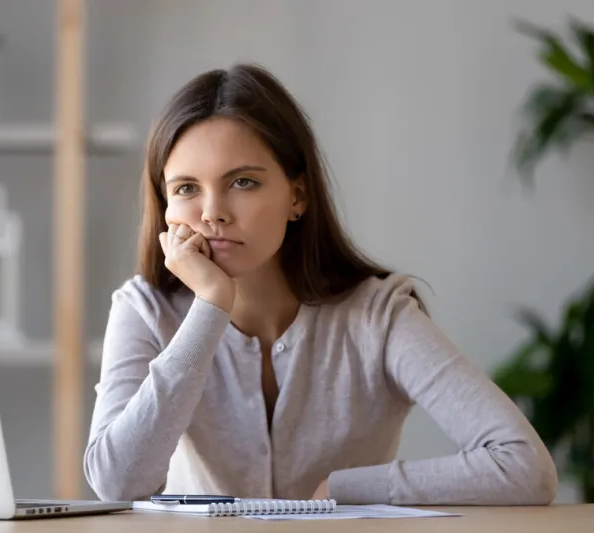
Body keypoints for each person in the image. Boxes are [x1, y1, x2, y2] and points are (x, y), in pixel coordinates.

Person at [84, 63, 558, 506]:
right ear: (165, 206)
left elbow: (524, 465)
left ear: (297, 195)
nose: (212, 213)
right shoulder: (145, 309)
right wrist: (210, 307)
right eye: (186, 188)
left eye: (243, 182)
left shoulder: (378, 316)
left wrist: (348, 487)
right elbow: (118, 482)